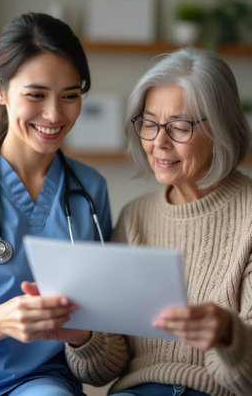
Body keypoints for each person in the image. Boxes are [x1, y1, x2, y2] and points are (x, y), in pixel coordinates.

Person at [65, 47, 252, 396]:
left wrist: (228, 334)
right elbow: (105, 367)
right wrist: (81, 334)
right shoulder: (135, 217)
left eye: (179, 127)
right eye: (149, 125)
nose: (159, 142)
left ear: (222, 128)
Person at [0, 12, 112, 395]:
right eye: (35, 95)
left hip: (38, 382)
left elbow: (102, 325)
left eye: (70, 96)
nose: (54, 115)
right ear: (0, 91)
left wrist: (83, 335)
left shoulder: (90, 190)